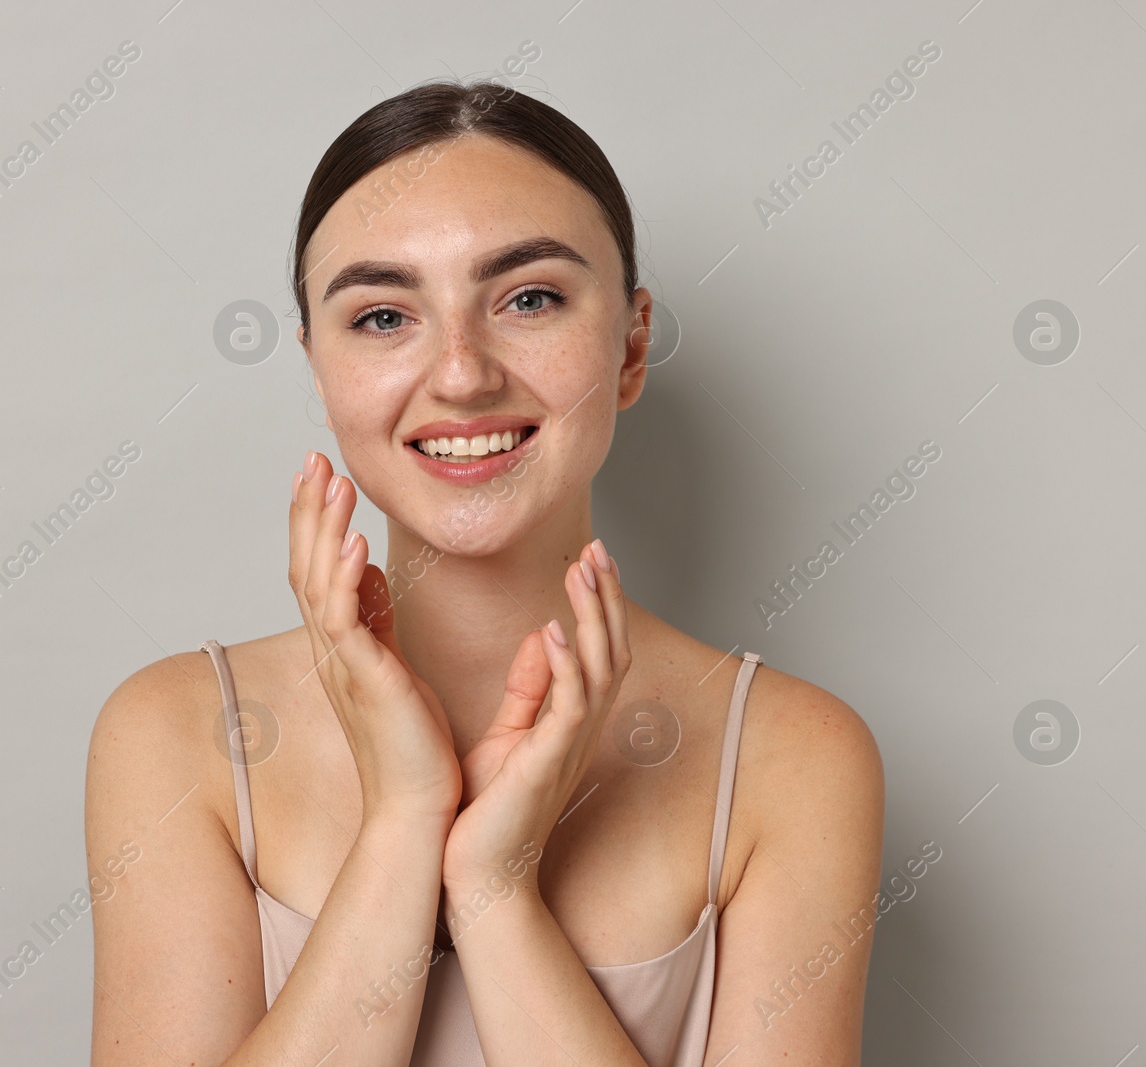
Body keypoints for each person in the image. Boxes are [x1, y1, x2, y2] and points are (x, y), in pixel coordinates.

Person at [86, 79, 884, 1066]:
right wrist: (404, 819)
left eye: (530, 297)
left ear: (631, 345)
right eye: (383, 316)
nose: (461, 373)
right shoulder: (175, 736)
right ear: (317, 369)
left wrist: (497, 888)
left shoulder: (794, 757)